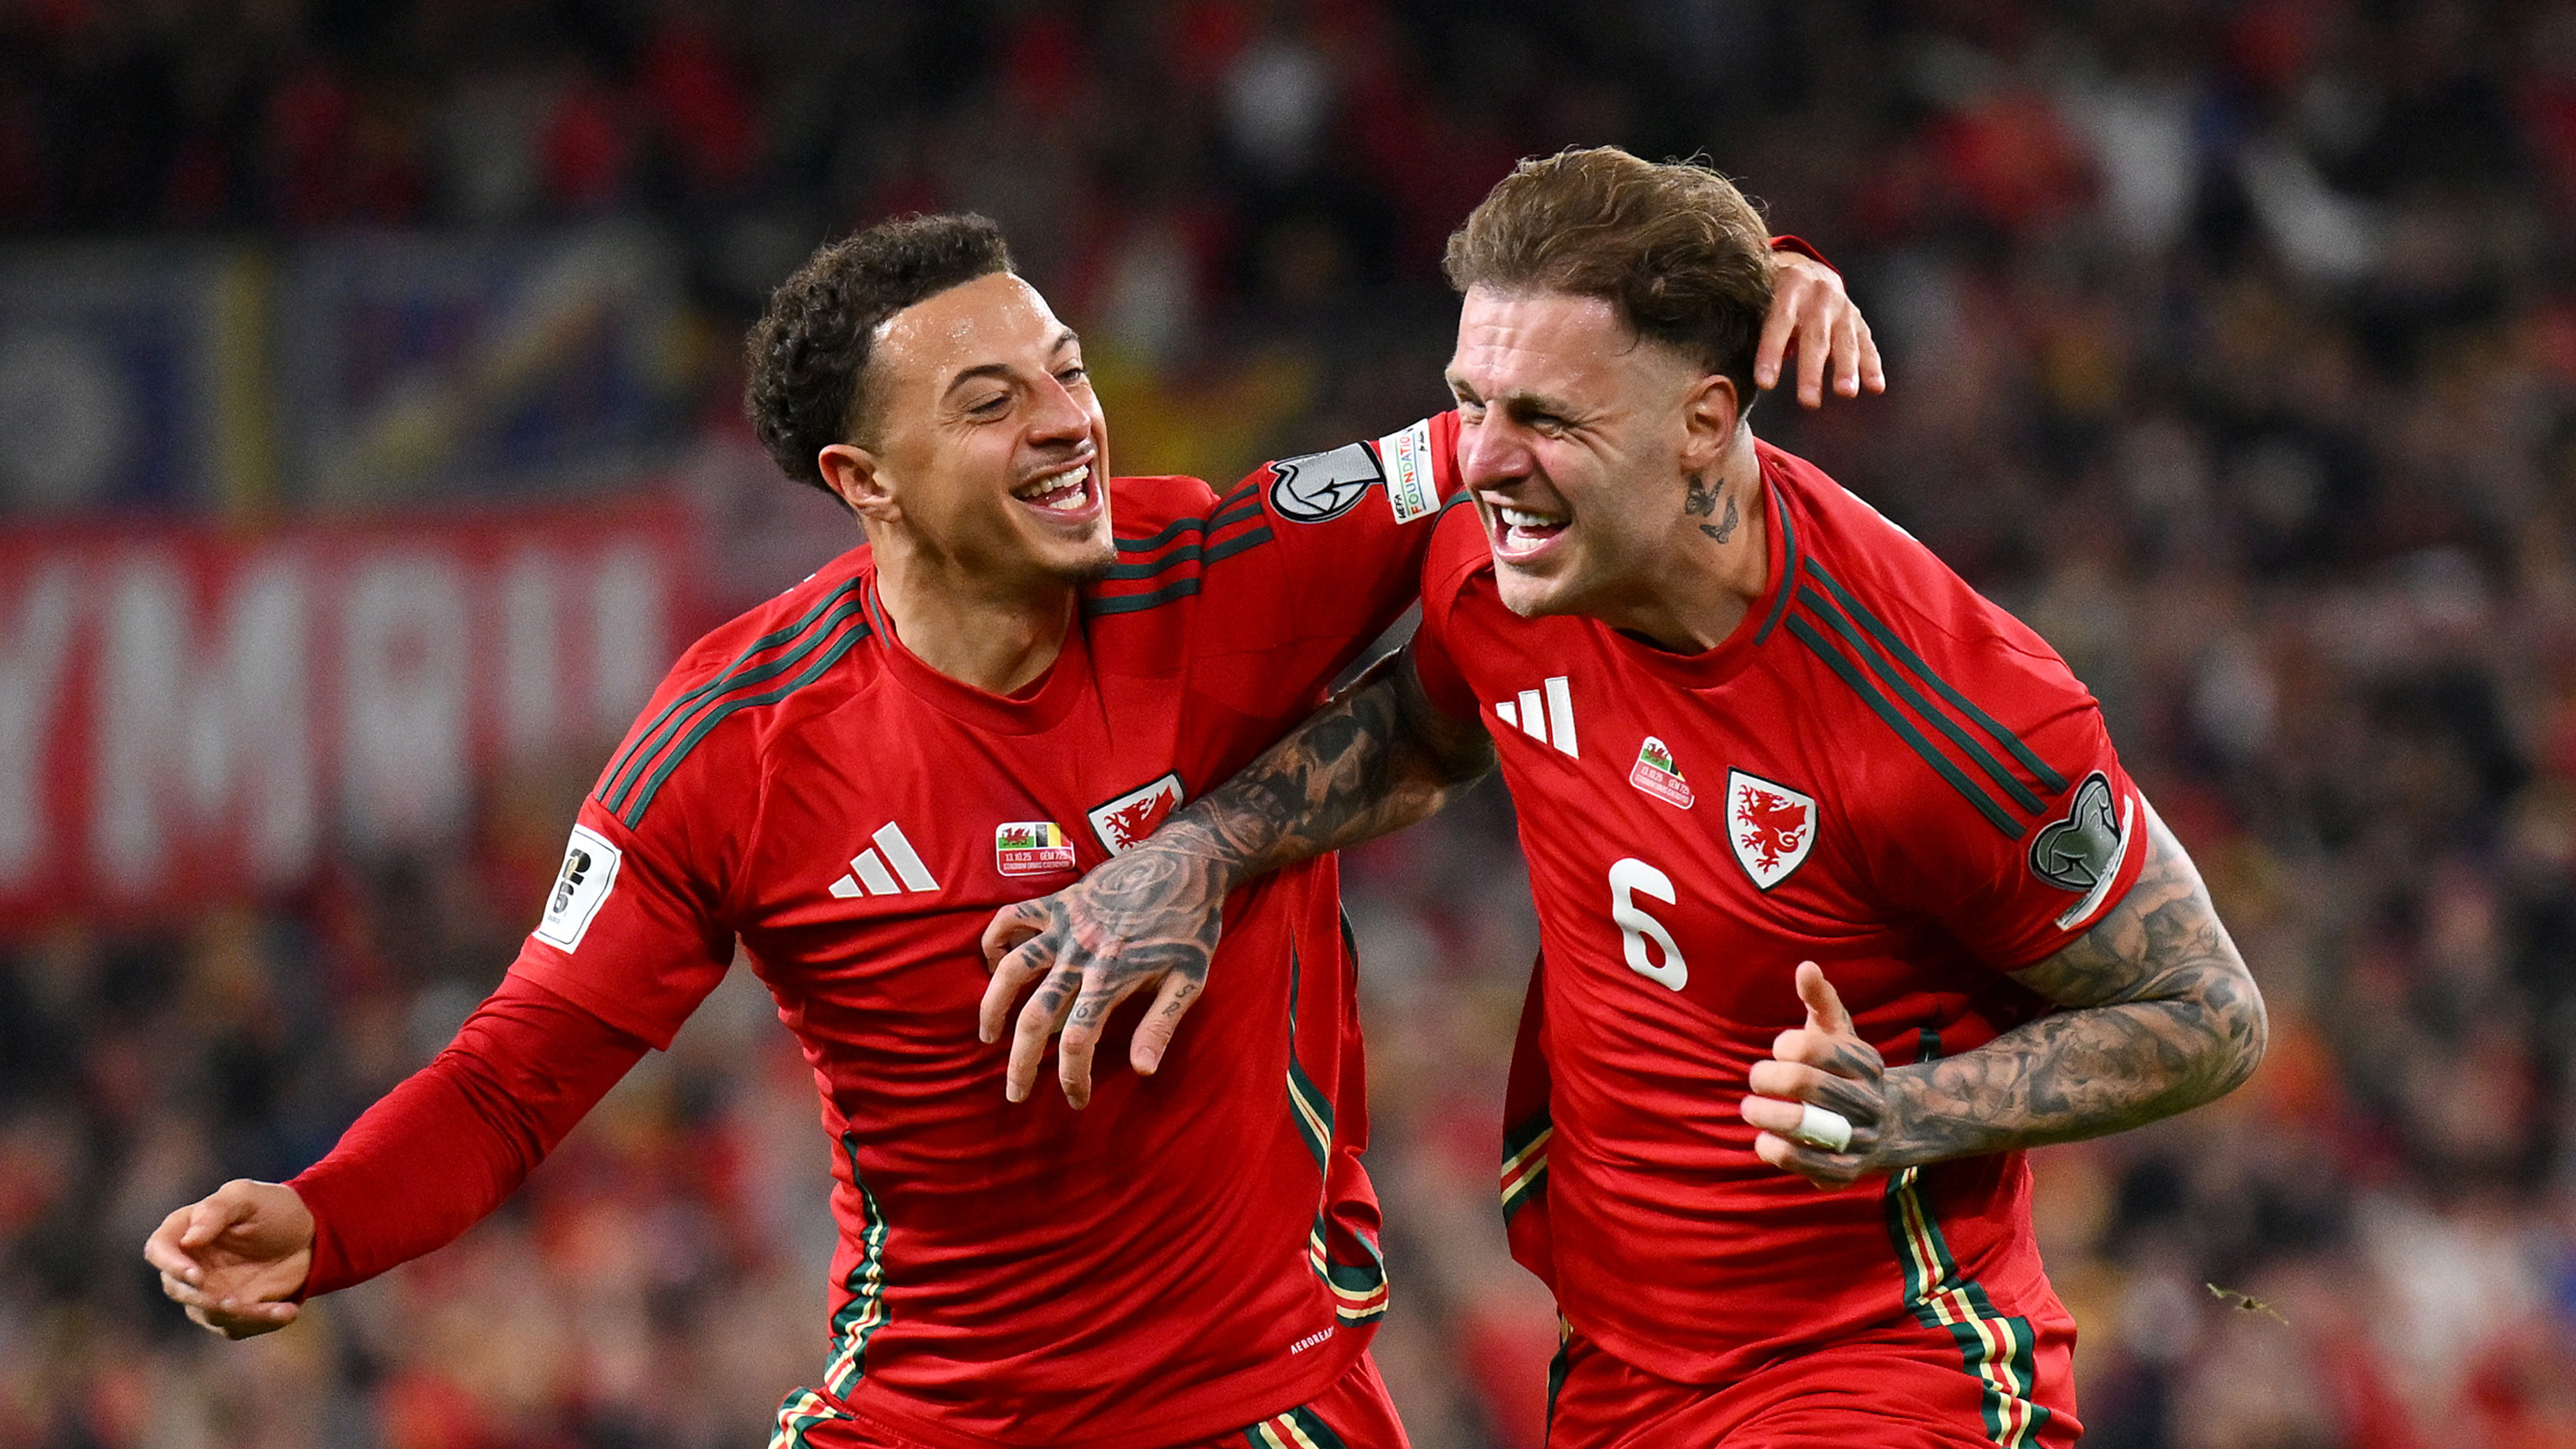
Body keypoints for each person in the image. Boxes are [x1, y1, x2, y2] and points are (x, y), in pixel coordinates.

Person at [143, 208, 1880, 1449]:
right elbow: (528, 1066)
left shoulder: (1218, 566)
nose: (1068, 420)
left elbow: (1518, 426)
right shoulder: (736, 744)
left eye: (1060, 369)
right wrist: (328, 1216)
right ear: (863, 482)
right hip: (922, 1410)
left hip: (1252, 1403)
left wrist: (1731, 291)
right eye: (991, 403)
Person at [985, 148, 2267, 1449]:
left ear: (1705, 421)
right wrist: (1204, 850)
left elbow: (2207, 1013)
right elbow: (1425, 736)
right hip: (1615, 1370)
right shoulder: (1502, 568)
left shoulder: (1946, 711)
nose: (1483, 459)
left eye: (1544, 419)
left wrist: (1905, 1114)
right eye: (1468, 402)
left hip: (1881, 1368)